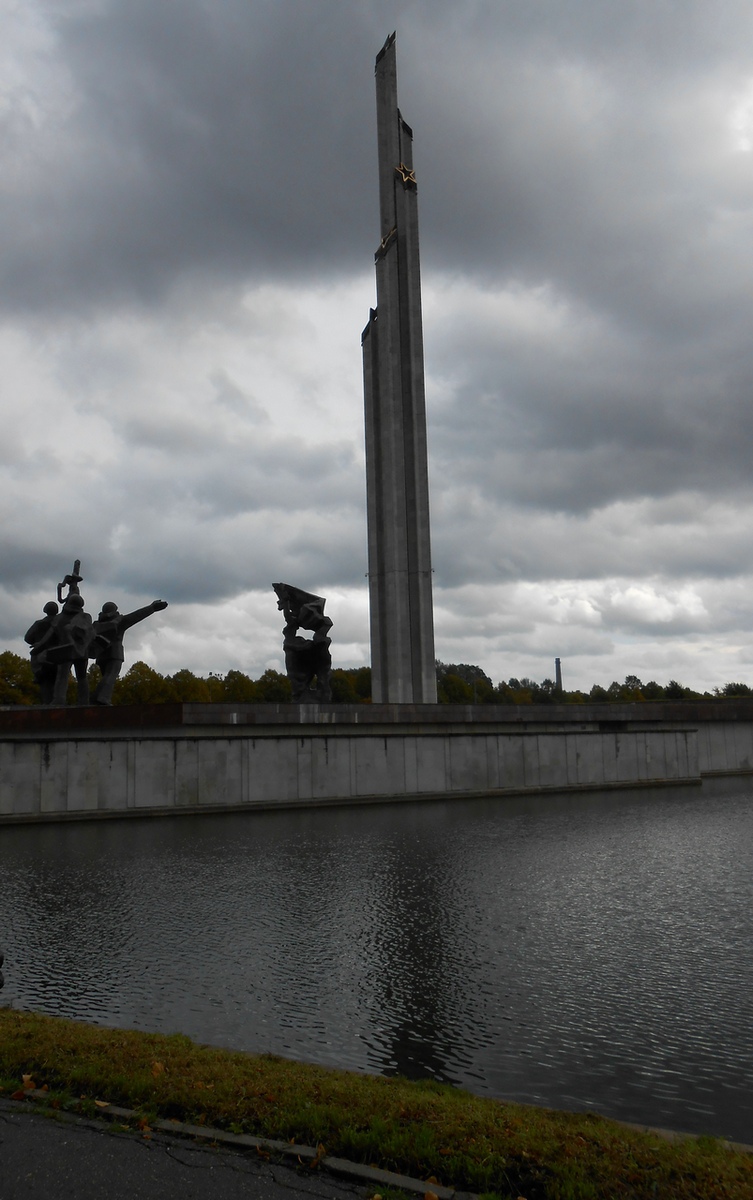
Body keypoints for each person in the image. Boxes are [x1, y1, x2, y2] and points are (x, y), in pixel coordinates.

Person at [90, 599, 168, 705]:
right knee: (111, 675)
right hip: (115, 653)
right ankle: (102, 698)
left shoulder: (96, 624)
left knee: (106, 676)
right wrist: (152, 608)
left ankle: (97, 698)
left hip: (101, 654)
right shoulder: (119, 621)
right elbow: (136, 616)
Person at [24, 601, 59, 704]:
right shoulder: (61, 624)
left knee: (44, 684)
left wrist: (37, 642)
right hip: (58, 657)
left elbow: (27, 638)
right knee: (58, 683)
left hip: (41, 658)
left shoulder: (39, 624)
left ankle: (47, 705)